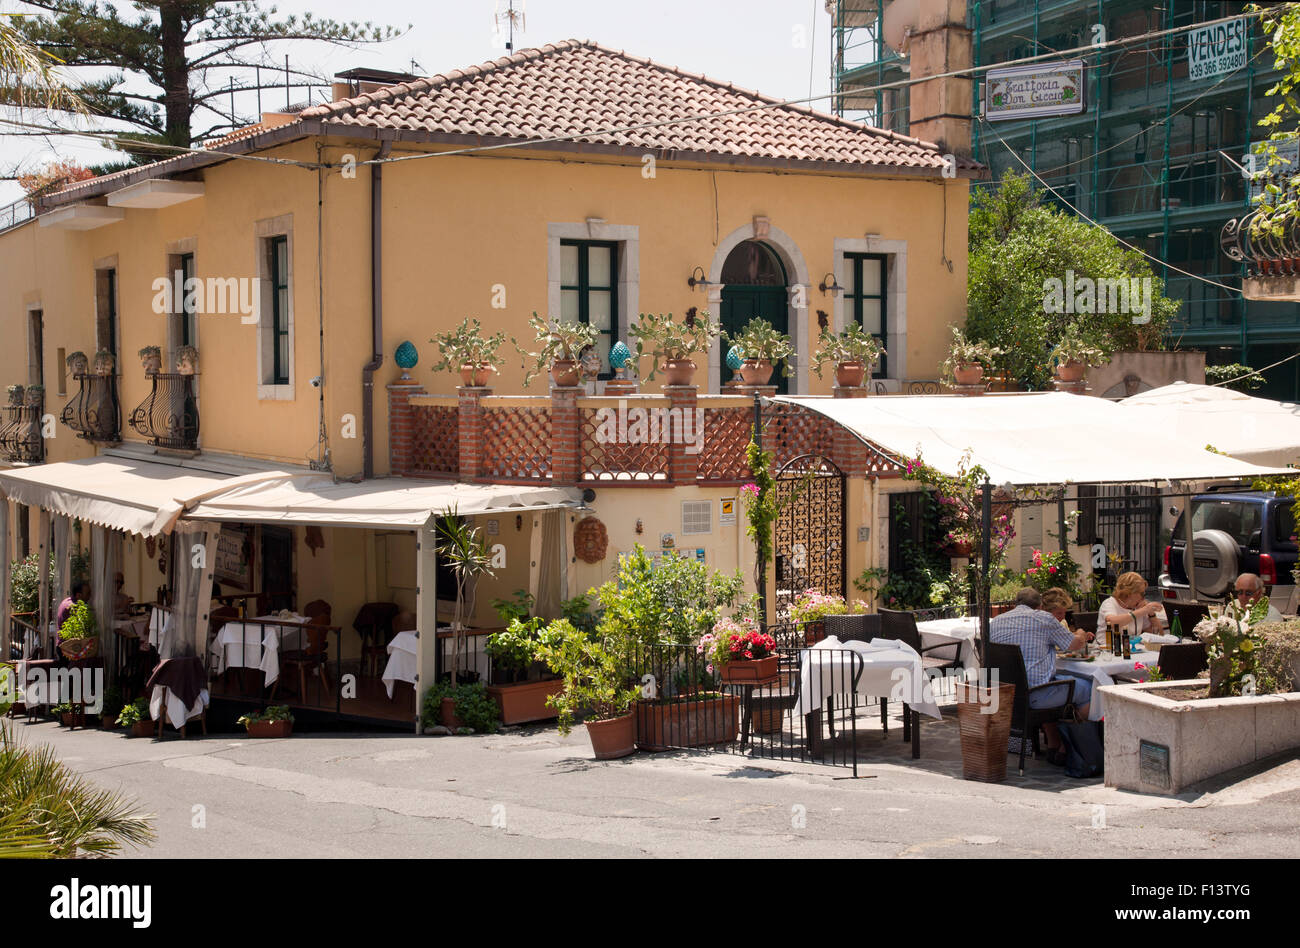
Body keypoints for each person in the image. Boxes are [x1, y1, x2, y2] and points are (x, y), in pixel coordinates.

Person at [990, 587, 1092, 764]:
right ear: (1039, 605)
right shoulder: (1044, 619)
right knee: (1089, 688)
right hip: (1035, 696)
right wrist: (1081, 634)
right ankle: (1067, 746)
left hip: (1005, 696)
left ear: (1016, 603)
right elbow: (1074, 644)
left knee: (1050, 680)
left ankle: (1054, 743)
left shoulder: (996, 621)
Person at [1097, 571, 1164, 644]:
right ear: (1129, 593)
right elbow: (1112, 622)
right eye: (1141, 594)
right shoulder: (1110, 603)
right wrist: (1143, 611)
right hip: (1108, 649)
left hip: (1131, 649)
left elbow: (1158, 635)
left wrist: (1151, 614)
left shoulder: (1138, 606)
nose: (1143, 597)